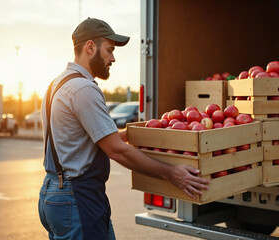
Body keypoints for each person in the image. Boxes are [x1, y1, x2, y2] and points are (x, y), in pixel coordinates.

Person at [38, 17, 209, 240]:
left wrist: (125, 135)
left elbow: (73, 141)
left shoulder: (57, 84)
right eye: (109, 50)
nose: (113, 58)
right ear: (90, 47)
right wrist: (171, 173)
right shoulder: (83, 89)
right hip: (77, 197)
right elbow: (116, 150)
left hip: (53, 193)